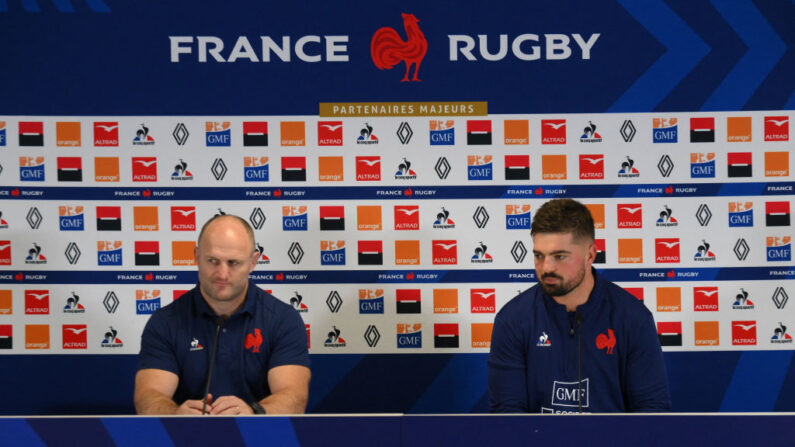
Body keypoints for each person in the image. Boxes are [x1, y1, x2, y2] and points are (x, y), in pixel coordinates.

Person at [488, 199, 670, 413]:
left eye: (559, 256)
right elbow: (507, 417)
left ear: (590, 255)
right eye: (539, 256)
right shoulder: (512, 320)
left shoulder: (633, 318)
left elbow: (651, 413)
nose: (546, 268)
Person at [134, 214, 310, 415]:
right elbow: (149, 396)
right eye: (212, 261)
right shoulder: (164, 322)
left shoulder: (283, 320)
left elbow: (294, 397)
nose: (222, 274)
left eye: (233, 262)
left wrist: (254, 413)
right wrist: (175, 416)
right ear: (196, 256)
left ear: (253, 262)